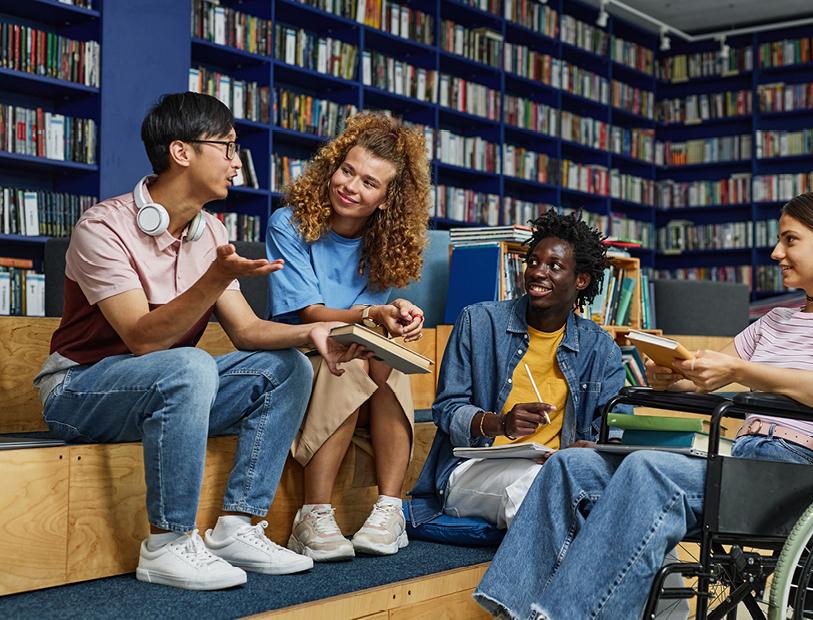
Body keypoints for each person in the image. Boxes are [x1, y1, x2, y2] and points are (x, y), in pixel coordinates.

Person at [473, 190, 813, 619]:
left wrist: (742, 373)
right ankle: (513, 609)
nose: (776, 252)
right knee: (569, 466)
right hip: (744, 460)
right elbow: (710, 373)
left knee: (646, 469)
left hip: (794, 475)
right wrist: (675, 376)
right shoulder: (775, 322)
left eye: (790, 240)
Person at [33, 92, 364, 591]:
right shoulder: (103, 227)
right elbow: (143, 339)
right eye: (228, 147)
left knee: (286, 368)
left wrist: (316, 334)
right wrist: (211, 280)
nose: (237, 163)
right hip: (79, 391)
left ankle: (236, 526)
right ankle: (167, 543)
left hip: (164, 387)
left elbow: (248, 332)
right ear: (182, 152)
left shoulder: (209, 230)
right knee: (188, 365)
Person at [266, 113, 429, 560]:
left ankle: (389, 511)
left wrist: (398, 312)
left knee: (386, 359)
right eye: (347, 170)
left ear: (386, 201)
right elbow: (310, 313)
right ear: (332, 166)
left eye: (369, 183)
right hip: (299, 347)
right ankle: (313, 515)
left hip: (353, 348)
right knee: (349, 359)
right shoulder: (289, 223)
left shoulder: (384, 241)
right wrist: (372, 312)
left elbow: (370, 321)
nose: (351, 187)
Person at [408, 209, 626, 531]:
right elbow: (447, 410)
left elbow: (617, 429)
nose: (538, 272)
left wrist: (590, 452)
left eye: (554, 266)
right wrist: (501, 423)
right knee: (552, 490)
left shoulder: (601, 349)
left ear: (581, 280)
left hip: (557, 470)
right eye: (534, 261)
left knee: (602, 493)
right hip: (473, 468)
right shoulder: (478, 323)